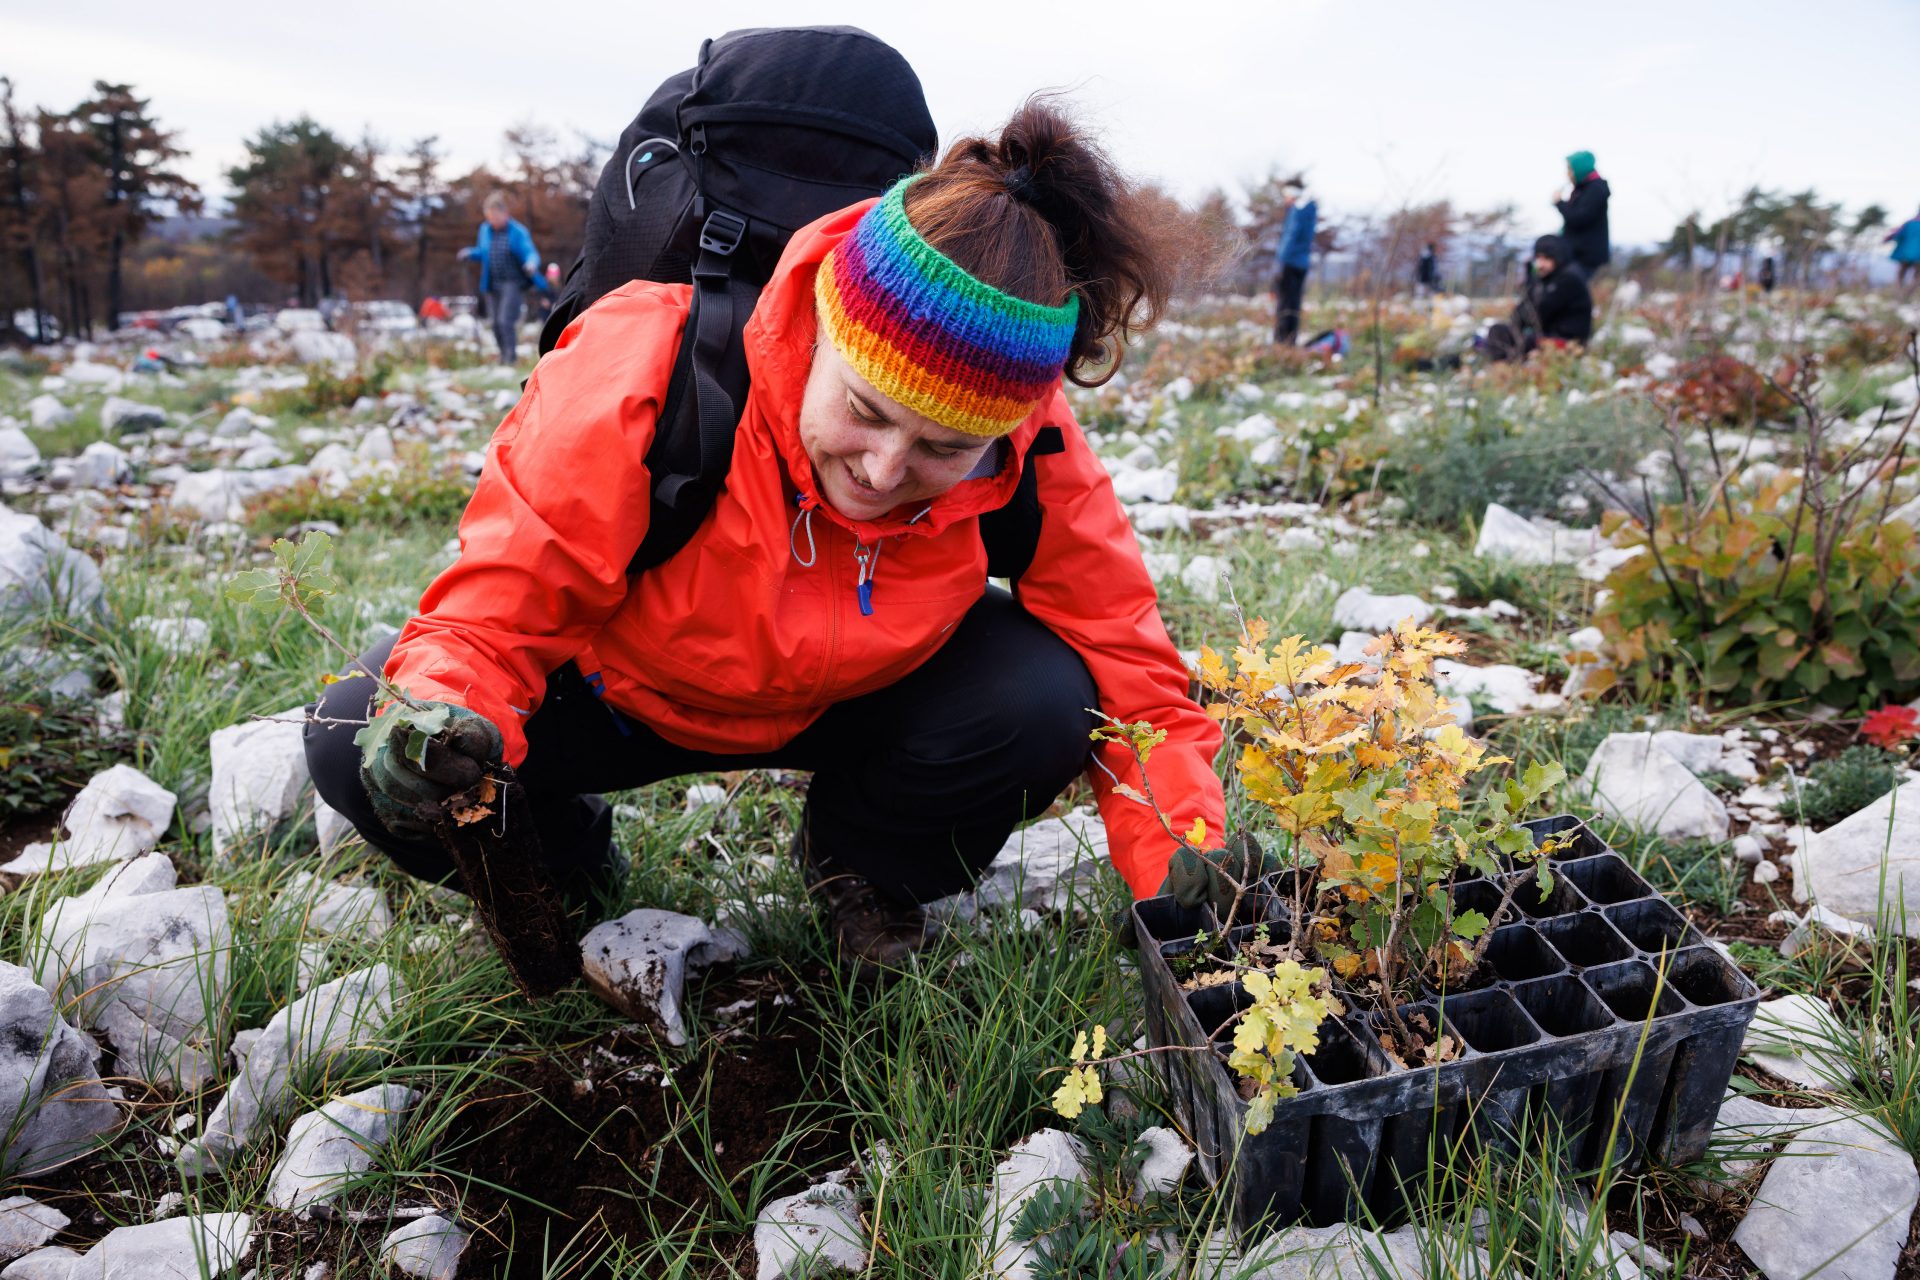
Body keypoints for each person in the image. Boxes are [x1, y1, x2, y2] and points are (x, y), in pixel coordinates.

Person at [305, 100, 1244, 975]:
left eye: (943, 448)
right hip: (620, 696)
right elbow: (497, 609)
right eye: (866, 411)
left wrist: (1181, 837)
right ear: (821, 322)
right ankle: (565, 866)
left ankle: (865, 868)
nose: (882, 471)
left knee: (1046, 695)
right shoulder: (644, 362)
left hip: (856, 699)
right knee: (361, 728)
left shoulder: (1030, 441)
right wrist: (442, 706)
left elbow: (1125, 653)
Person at [459, 192, 542, 365]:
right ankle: (503, 355)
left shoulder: (518, 232)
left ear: (505, 214)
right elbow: (483, 252)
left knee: (506, 320)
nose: (492, 221)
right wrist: (469, 253)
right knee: (495, 323)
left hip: (512, 282)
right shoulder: (485, 230)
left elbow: (530, 252)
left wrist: (531, 264)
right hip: (492, 283)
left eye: (495, 216)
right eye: (489, 217)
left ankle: (510, 358)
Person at [1481, 235, 1592, 362]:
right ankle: (1502, 367)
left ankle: (1503, 370)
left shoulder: (1568, 279)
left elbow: (1536, 313)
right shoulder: (1551, 279)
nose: (1540, 264)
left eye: (1547, 258)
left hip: (1567, 343)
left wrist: (1531, 282)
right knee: (1500, 333)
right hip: (1551, 339)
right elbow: (1519, 318)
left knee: (1505, 336)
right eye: (1538, 258)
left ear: (1558, 258)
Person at [1272, 178, 1317, 345]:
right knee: (1294, 303)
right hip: (1302, 263)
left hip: (1289, 263)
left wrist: (1280, 262)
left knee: (1284, 304)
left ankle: (1281, 342)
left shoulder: (1296, 211)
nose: (1285, 199)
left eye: (1286, 195)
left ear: (1292, 194)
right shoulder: (1310, 209)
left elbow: (1290, 237)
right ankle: (1291, 340)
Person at [1553, 151, 1611, 279]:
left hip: (1585, 256)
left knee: (1572, 289)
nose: (1568, 174)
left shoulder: (1595, 189)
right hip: (1576, 253)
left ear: (1578, 169)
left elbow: (1579, 218)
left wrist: (1559, 203)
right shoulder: (1583, 188)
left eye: (1569, 169)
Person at [1886, 207, 1920, 290]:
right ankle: (1907, 294)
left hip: (1905, 253)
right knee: (1918, 276)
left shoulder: (1909, 223)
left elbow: (1897, 235)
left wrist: (1888, 238)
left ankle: (1900, 295)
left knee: (1900, 274)